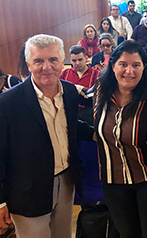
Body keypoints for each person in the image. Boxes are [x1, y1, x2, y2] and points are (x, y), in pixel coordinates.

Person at [0, 34, 93, 238]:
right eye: (38, 61)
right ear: (28, 65)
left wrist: (97, 135)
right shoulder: (8, 103)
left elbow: (68, 125)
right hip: (27, 190)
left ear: (63, 62)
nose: (47, 67)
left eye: (53, 60)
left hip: (66, 180)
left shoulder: (69, 91)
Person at [93, 40, 147, 238]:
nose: (129, 71)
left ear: (145, 68)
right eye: (123, 64)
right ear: (113, 66)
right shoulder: (101, 90)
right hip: (113, 181)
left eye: (136, 65)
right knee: (127, 234)